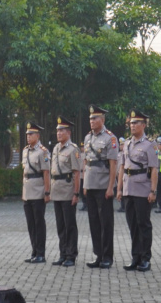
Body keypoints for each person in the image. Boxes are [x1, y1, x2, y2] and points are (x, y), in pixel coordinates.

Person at [117, 110, 158, 272]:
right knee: (132, 224)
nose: (132, 126)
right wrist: (119, 189)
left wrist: (153, 191)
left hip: (142, 188)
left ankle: (145, 258)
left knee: (143, 224)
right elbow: (122, 168)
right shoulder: (127, 144)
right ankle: (135, 257)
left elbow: (154, 169)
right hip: (128, 188)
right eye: (131, 123)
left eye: (136, 123)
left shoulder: (149, 144)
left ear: (143, 125)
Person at [83, 104, 119, 269]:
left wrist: (111, 187)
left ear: (102, 120)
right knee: (93, 222)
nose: (91, 121)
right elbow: (86, 162)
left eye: (95, 118)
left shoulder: (110, 138)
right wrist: (84, 184)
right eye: (90, 118)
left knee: (106, 222)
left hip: (104, 185)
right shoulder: (87, 138)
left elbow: (113, 165)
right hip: (90, 184)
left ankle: (107, 256)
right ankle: (98, 255)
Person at [50, 117, 80, 267]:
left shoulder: (73, 149)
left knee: (70, 225)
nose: (58, 133)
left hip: (68, 191)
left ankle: (71, 255)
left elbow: (76, 173)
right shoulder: (55, 148)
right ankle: (62, 253)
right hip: (57, 190)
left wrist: (76, 193)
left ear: (68, 132)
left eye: (61, 130)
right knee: (60, 225)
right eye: (57, 130)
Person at [22, 122, 50, 264]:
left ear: (37, 136)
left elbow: (46, 173)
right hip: (27, 192)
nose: (28, 136)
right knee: (30, 224)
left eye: (31, 134)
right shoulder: (25, 151)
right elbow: (24, 172)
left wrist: (47, 192)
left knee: (39, 223)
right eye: (27, 134)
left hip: (38, 191)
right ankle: (34, 251)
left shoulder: (42, 151)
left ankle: (41, 253)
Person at [116, 137, 126, 213]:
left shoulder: (126, 154)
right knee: (120, 190)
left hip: (125, 175)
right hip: (119, 175)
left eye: (122, 145)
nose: (121, 146)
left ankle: (125, 206)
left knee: (124, 191)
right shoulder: (118, 154)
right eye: (120, 145)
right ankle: (122, 206)